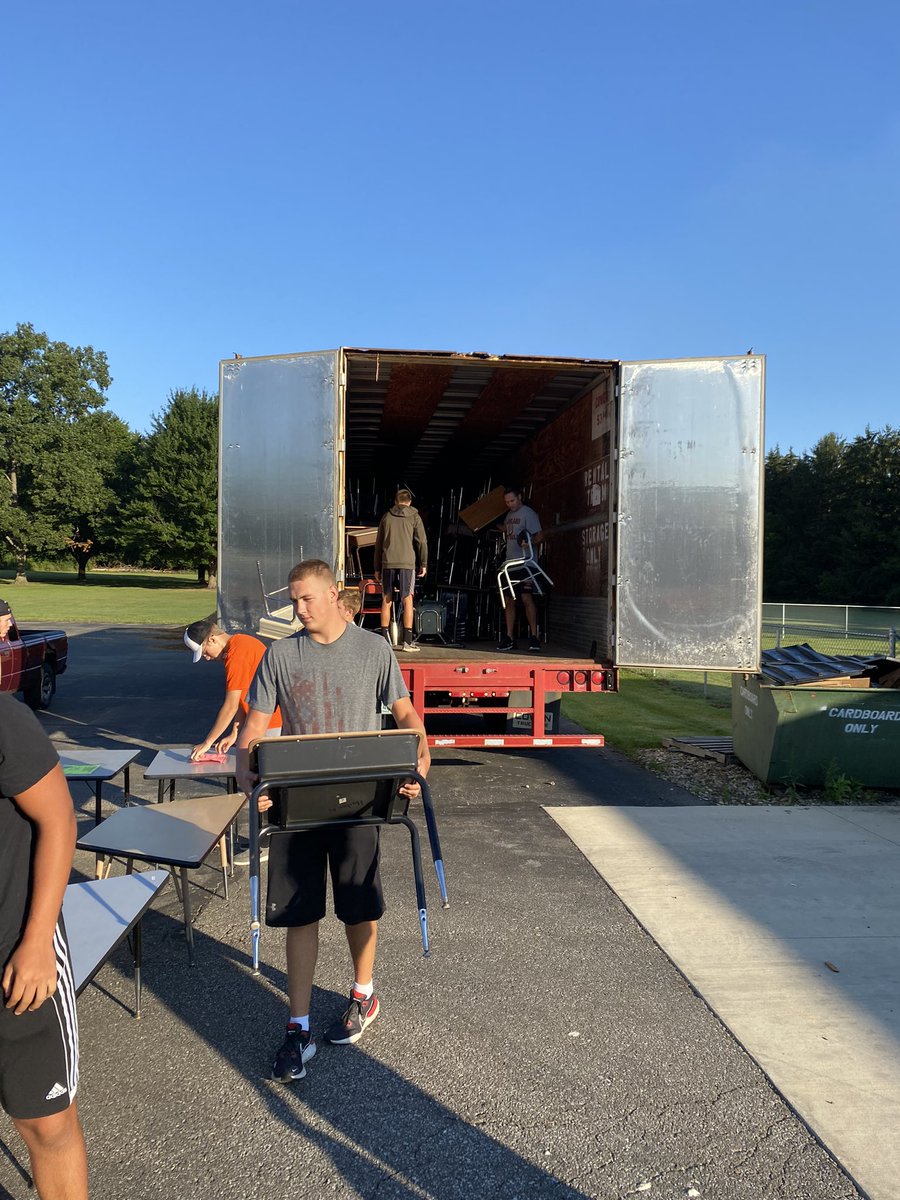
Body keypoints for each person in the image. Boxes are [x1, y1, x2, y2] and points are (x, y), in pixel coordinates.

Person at [235, 559, 430, 1084]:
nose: (298, 609)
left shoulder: (373, 650)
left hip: (358, 805)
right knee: (299, 914)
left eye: (305, 599)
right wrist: (247, 775)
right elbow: (251, 730)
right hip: (298, 806)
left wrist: (420, 755)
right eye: (294, 600)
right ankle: (297, 1026)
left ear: (332, 595)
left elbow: (406, 714)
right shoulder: (280, 654)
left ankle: (363, 996)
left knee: (358, 905)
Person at [0, 693, 88, 1200]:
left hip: (17, 953)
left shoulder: (4, 720)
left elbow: (59, 820)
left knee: (46, 1126)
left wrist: (36, 944)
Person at [183, 617, 281, 759]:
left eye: (204, 652)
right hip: (263, 721)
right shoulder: (239, 644)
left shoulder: (236, 655)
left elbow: (230, 706)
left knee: (265, 772)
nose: (207, 658)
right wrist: (235, 733)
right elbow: (242, 699)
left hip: (269, 723)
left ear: (212, 639)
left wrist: (207, 742)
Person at [374, 489, 428, 652]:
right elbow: (422, 542)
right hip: (407, 563)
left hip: (388, 562)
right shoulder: (414, 516)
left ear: (395, 501)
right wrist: (423, 563)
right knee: (407, 599)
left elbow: (378, 544)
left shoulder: (386, 516)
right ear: (409, 502)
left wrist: (377, 567)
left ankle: (384, 641)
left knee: (386, 599)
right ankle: (407, 642)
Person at [497, 486, 543, 653]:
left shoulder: (528, 514)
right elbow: (507, 530)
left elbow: (540, 535)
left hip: (525, 564)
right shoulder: (509, 515)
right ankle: (509, 638)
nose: (510, 504)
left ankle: (534, 637)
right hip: (510, 564)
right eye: (507, 502)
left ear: (520, 497)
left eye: (512, 500)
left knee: (526, 598)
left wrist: (529, 542)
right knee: (509, 600)